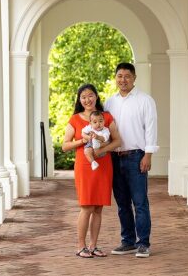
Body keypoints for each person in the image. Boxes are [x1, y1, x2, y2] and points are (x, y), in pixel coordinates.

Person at [62, 84, 122, 258]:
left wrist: (102, 150)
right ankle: (81, 246)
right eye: (83, 97)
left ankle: (93, 246)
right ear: (79, 100)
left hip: (104, 165)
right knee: (86, 206)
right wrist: (82, 140)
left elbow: (117, 141)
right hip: (85, 165)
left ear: (96, 97)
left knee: (98, 208)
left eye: (90, 96)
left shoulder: (107, 117)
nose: (87, 100)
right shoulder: (75, 119)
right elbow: (65, 145)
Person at [105, 63, 158, 258]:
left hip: (136, 156)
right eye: (119, 76)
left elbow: (151, 128)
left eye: (127, 76)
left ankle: (143, 242)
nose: (123, 80)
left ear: (134, 78)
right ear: (115, 77)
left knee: (140, 202)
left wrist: (148, 154)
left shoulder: (145, 101)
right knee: (122, 203)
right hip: (115, 158)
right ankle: (127, 241)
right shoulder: (109, 103)